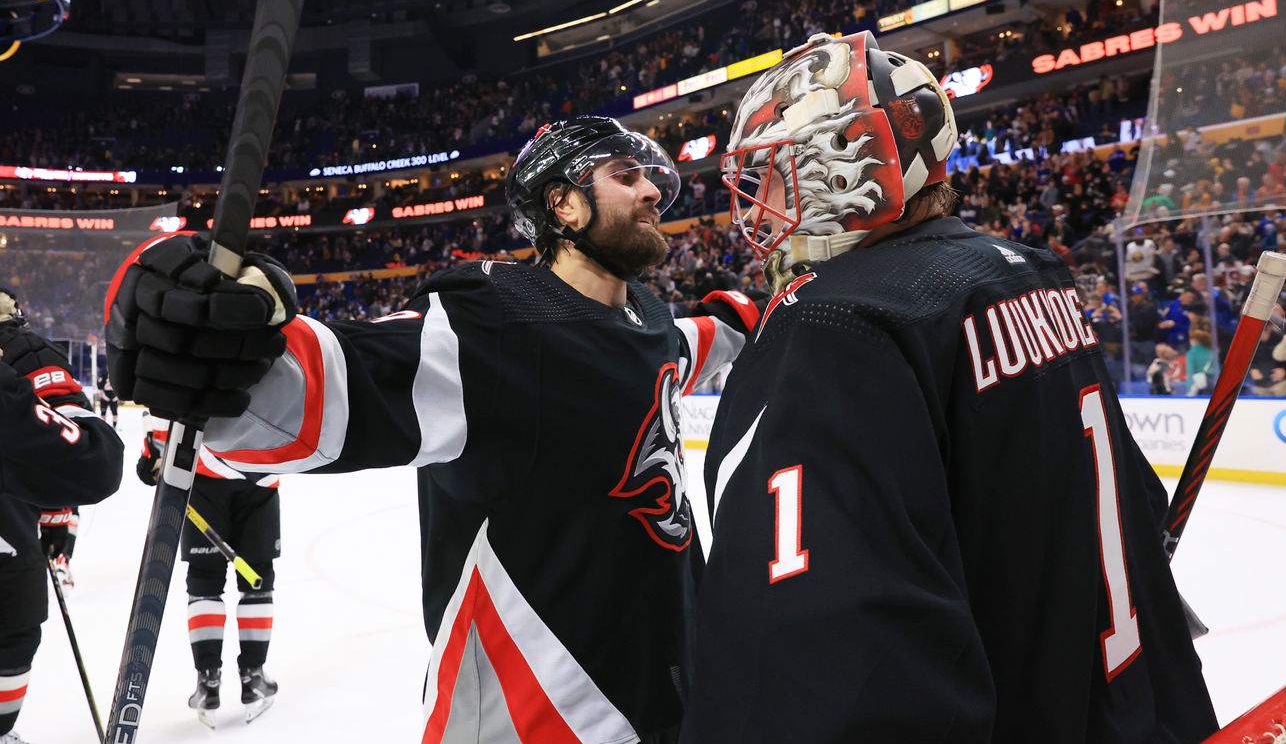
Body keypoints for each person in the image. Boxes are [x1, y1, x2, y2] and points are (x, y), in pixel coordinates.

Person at [104, 117, 759, 743]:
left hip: (678, 699)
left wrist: (744, 315)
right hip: (543, 720)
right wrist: (202, 335)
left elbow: (684, 344)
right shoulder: (496, 326)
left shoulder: (647, 317)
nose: (652, 190)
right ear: (565, 205)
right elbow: (326, 389)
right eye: (625, 175)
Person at [682, 32, 1217, 743]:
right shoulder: (1032, 270)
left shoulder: (834, 321)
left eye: (779, 172)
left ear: (849, 168)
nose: (759, 206)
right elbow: (1127, 509)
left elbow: (824, 655)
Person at [0, 287, 123, 744]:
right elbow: (90, 464)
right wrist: (56, 523)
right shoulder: (22, 351)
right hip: (9, 538)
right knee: (13, 628)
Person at [136, 412, 282, 726]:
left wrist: (154, 454)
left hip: (205, 473)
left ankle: (208, 681)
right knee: (256, 580)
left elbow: (168, 396)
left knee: (205, 580)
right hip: (262, 470)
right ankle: (253, 676)